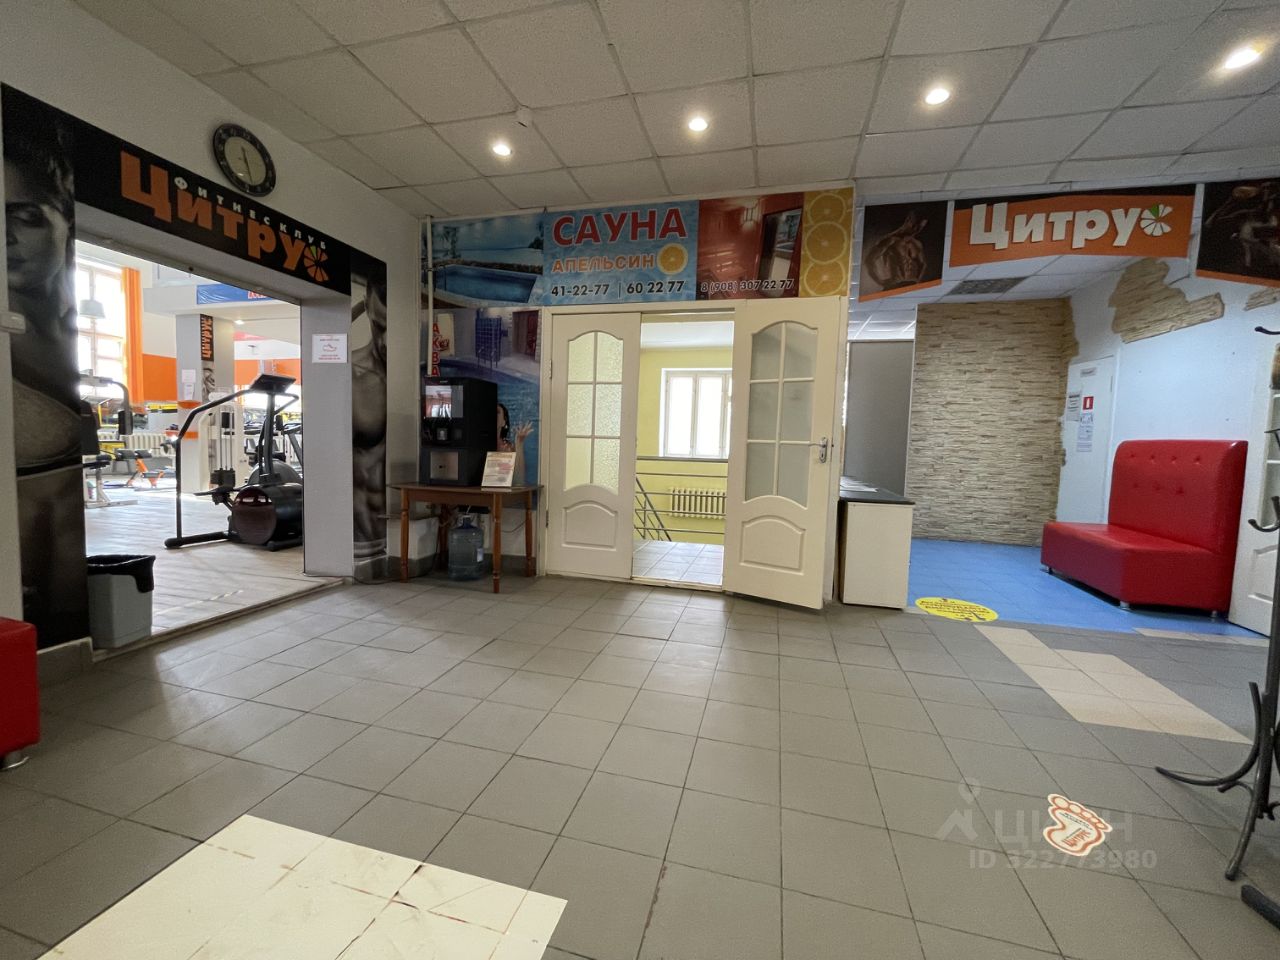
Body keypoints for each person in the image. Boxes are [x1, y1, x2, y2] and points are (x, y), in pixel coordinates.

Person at [5, 99, 89, 644]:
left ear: (66, 219)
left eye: (27, 216)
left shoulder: (69, 331)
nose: (7, 236)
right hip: (21, 581)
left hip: (71, 584)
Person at [351, 265, 388, 580]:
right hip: (359, 537)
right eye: (379, 325)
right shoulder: (351, 372)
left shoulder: (410, 375)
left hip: (389, 534)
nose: (386, 339)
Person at [497, 401, 532, 485]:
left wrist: (519, 443)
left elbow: (519, 481)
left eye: (497, 412)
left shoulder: (508, 448)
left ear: (504, 422)